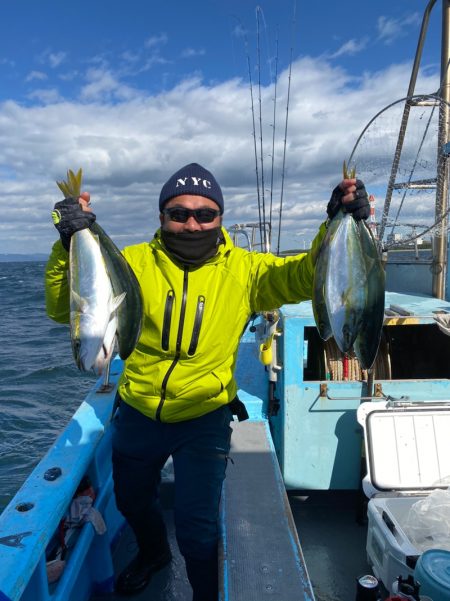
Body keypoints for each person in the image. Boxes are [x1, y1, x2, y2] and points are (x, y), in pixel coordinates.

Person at [45, 163, 369, 600]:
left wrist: (334, 223)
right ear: (161, 217)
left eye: (205, 213)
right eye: (179, 214)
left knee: (198, 528)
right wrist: (66, 242)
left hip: (205, 416)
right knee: (132, 502)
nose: (192, 223)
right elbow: (65, 305)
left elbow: (308, 275)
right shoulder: (130, 262)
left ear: (220, 217)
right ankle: (155, 555)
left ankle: (204, 595)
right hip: (140, 410)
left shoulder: (246, 271)